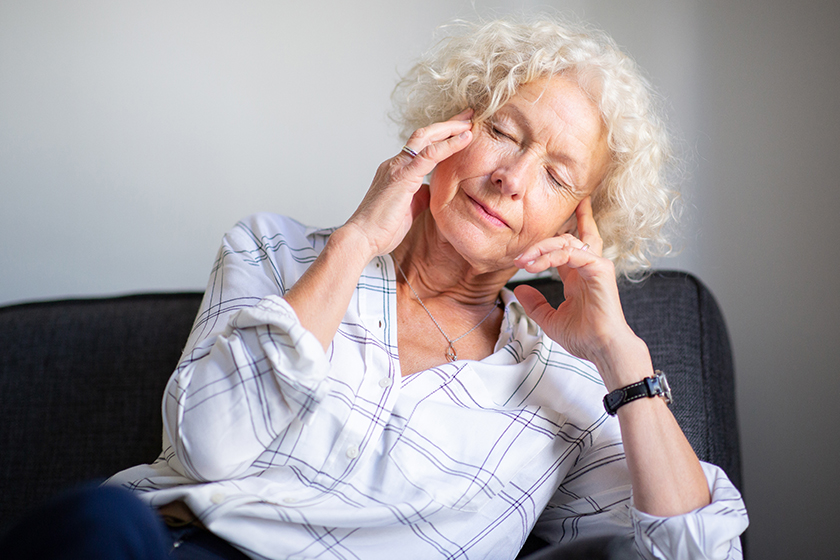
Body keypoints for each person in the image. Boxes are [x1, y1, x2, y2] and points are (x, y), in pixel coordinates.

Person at [6, 15, 748, 560]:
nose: (512, 178)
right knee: (101, 523)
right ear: (451, 128)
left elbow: (699, 552)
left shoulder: (570, 392)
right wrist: (358, 240)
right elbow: (209, 449)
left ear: (580, 223)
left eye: (556, 175)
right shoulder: (273, 251)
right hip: (170, 547)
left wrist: (620, 355)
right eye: (504, 131)